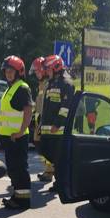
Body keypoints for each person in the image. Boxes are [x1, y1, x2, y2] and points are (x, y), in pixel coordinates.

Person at [0, 56, 34, 210]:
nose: (8, 73)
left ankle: (23, 201)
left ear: (19, 72)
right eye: (6, 70)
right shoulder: (11, 88)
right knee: (13, 170)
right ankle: (17, 197)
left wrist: (20, 132)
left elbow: (28, 111)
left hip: (17, 138)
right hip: (11, 139)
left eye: (11, 70)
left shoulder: (22, 88)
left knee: (20, 170)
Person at [38, 54, 74, 194]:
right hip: (47, 130)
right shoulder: (51, 82)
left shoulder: (66, 83)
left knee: (59, 161)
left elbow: (65, 108)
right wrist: (41, 124)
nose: (46, 71)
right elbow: (46, 107)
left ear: (56, 68)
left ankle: (61, 185)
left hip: (58, 131)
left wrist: (57, 124)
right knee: (47, 154)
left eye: (48, 69)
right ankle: (60, 183)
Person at [30, 56, 55, 183]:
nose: (36, 73)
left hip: (44, 122)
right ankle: (48, 170)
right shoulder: (41, 84)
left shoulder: (47, 84)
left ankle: (50, 171)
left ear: (43, 70)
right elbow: (39, 103)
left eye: (37, 71)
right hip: (39, 121)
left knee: (43, 146)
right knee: (39, 145)